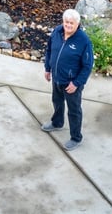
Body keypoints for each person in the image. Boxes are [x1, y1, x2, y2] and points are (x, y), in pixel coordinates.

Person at [41, 8, 94, 151]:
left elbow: (87, 66)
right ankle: (57, 123)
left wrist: (77, 83)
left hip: (71, 83)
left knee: (74, 110)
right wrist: (47, 68)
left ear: (77, 24)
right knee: (57, 101)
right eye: (66, 22)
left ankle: (76, 138)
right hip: (57, 78)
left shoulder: (83, 41)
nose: (68, 25)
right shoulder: (57, 32)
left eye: (71, 23)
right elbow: (49, 50)